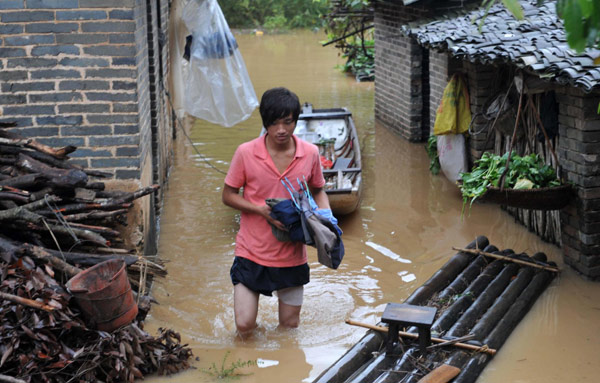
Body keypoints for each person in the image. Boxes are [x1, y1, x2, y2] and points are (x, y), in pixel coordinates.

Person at [222, 87, 330, 337]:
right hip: (251, 251)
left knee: (289, 328)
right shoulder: (246, 153)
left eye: (288, 122)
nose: (281, 129)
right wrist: (262, 211)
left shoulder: (310, 154)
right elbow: (228, 195)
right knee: (244, 325)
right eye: (274, 123)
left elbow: (318, 190)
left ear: (295, 121)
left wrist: (326, 221)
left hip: (292, 254)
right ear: (265, 123)